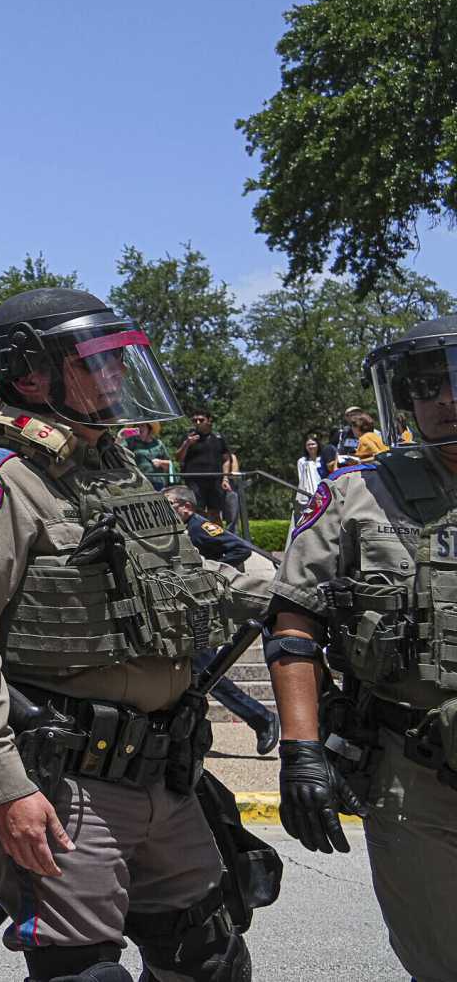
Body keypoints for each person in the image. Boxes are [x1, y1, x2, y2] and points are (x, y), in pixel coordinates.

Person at [0, 287, 241, 982]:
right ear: (33, 373)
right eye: (95, 362)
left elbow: (187, 575)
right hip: (70, 782)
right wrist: (7, 786)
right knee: (83, 973)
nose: (117, 376)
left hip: (166, 767)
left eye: (118, 360)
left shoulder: (115, 471)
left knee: (214, 957)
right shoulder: (0, 481)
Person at [267, 315, 457, 978]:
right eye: (427, 387)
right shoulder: (355, 493)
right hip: (416, 774)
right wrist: (301, 751)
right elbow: (294, 619)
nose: (445, 399)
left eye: (456, 380)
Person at [163, 487, 280, 753]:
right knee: (192, 678)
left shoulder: (200, 527)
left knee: (204, 673)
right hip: (190, 609)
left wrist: (211, 570)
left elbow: (239, 550)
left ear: (186, 508)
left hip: (205, 611)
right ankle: (186, 740)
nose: (166, 509)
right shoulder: (176, 532)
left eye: (169, 504)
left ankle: (261, 718)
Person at [177, 409, 237, 523]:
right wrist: (187, 444)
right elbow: (178, 458)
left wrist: (225, 478)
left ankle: (218, 538)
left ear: (209, 421)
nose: (198, 423)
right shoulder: (189, 437)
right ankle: (199, 537)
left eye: (201, 420)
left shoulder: (218, 438)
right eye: (195, 420)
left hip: (214, 480)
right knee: (197, 511)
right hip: (194, 480)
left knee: (214, 512)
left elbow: (226, 459)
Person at [130, 421, 176, 490]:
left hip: (158, 482)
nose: (139, 428)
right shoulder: (132, 442)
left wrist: (160, 462)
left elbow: (170, 464)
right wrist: (121, 436)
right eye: (137, 426)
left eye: (142, 425)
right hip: (140, 482)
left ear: (149, 429)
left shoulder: (158, 443)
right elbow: (118, 449)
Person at [293, 434, 327, 506]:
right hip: (308, 491)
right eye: (308, 445)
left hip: (323, 489)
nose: (311, 446)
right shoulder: (302, 461)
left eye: (313, 444)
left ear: (317, 445)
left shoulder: (323, 459)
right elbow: (301, 478)